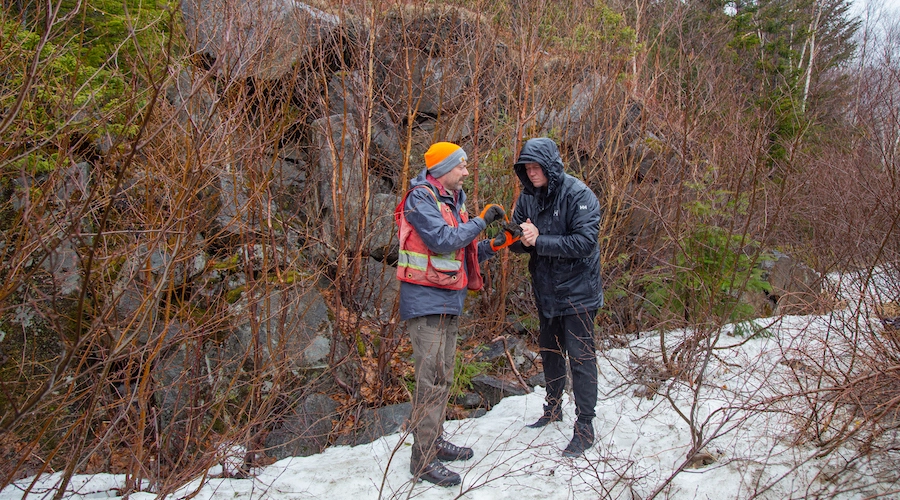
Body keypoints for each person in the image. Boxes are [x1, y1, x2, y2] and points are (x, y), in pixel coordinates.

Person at [395, 141, 517, 486]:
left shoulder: (452, 203)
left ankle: (435, 441)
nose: (466, 172)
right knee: (430, 379)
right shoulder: (421, 198)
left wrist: (495, 243)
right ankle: (422, 460)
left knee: (443, 376)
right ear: (444, 168)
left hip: (447, 300)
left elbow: (461, 250)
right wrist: (481, 221)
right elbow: (441, 240)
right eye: (461, 166)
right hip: (426, 301)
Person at [508, 137, 604, 457]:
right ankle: (553, 407)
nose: (532, 173)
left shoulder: (579, 195)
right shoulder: (527, 197)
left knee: (580, 357)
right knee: (550, 351)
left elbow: (584, 243)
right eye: (527, 168)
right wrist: (518, 239)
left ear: (550, 166)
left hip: (579, 291)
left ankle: (585, 426)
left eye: (536, 167)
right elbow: (517, 241)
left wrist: (540, 240)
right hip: (546, 290)